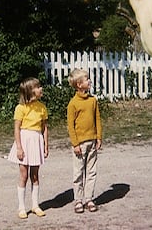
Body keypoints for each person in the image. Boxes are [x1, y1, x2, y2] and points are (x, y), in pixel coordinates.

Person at [7, 77, 49, 219]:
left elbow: (44, 128)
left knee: (35, 175)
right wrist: (19, 147)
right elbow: (17, 128)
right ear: (30, 91)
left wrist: (45, 145)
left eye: (40, 86)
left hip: (36, 141)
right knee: (24, 175)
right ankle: (21, 207)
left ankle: (35, 205)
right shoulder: (21, 108)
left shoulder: (42, 107)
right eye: (38, 87)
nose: (41, 89)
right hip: (24, 141)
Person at [67, 69, 103, 213]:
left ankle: (89, 198)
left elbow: (97, 119)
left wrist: (98, 137)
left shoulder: (93, 100)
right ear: (79, 84)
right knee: (78, 172)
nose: (89, 81)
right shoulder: (73, 104)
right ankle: (78, 200)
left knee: (91, 171)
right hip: (79, 144)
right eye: (87, 79)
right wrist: (75, 144)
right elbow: (71, 125)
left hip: (92, 141)